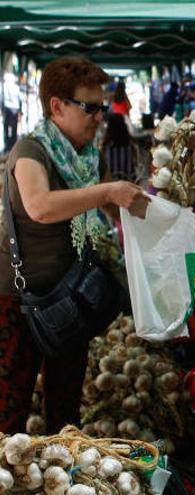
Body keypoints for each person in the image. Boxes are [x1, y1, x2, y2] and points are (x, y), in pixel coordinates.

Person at [0, 57, 146, 434]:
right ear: (57, 106)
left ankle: (62, 480)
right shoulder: (31, 151)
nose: (99, 117)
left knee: (65, 409)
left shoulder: (89, 158)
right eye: (90, 107)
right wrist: (106, 191)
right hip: (17, 299)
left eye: (102, 107)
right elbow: (41, 207)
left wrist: (172, 207)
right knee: (9, 406)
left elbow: (118, 208)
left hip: (70, 296)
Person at [101, 113, 141, 183]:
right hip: (129, 181)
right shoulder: (130, 145)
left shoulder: (106, 146)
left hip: (110, 184)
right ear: (124, 125)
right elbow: (136, 162)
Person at [3, 73, 21, 152]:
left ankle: (7, 145)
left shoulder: (4, 87)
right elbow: (20, 100)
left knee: (6, 128)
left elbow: (1, 99)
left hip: (7, 109)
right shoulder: (16, 88)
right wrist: (20, 111)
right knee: (14, 128)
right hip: (15, 109)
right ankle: (13, 144)